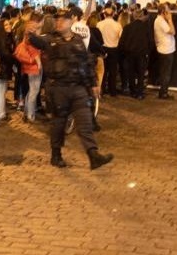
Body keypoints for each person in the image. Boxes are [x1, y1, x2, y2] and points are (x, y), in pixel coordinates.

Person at [27, 9, 114, 170]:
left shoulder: (78, 40)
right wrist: (30, 34)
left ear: (71, 22)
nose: (59, 23)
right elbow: (37, 42)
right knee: (59, 123)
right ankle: (56, 154)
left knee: (85, 120)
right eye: (57, 20)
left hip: (77, 88)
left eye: (63, 20)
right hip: (58, 88)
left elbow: (86, 64)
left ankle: (93, 155)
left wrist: (93, 84)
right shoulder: (51, 39)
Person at [14, 13, 44, 122]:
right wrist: (39, 62)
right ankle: (30, 115)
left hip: (28, 65)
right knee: (33, 91)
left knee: (31, 90)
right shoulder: (33, 31)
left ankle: (27, 112)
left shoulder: (27, 29)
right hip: (34, 66)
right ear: (39, 21)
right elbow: (33, 49)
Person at [119, 10, 151, 100]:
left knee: (131, 73)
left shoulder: (127, 27)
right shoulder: (146, 27)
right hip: (142, 54)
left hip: (130, 53)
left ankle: (133, 91)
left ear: (133, 16)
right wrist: (147, 52)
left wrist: (125, 51)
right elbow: (150, 41)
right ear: (141, 16)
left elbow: (122, 42)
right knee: (141, 74)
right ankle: (140, 92)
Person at [0, 17, 16, 121]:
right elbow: (5, 54)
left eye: (9, 24)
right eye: (6, 25)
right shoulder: (2, 39)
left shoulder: (5, 37)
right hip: (2, 67)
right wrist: (14, 57)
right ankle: (1, 113)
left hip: (1, 67)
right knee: (1, 90)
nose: (9, 26)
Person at [97, 8, 123, 96]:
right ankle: (112, 90)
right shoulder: (118, 25)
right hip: (114, 49)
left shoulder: (99, 24)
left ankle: (102, 89)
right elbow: (121, 37)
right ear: (113, 14)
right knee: (113, 71)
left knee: (103, 71)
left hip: (103, 49)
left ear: (104, 15)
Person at [153, 3, 176, 100]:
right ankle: (163, 93)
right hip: (166, 50)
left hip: (164, 48)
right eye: (167, 10)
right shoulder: (161, 21)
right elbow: (173, 32)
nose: (169, 11)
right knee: (166, 73)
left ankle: (163, 91)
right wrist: (170, 19)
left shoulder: (159, 20)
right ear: (163, 11)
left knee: (165, 72)